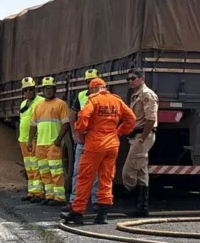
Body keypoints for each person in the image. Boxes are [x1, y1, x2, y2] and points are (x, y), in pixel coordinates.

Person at [61, 78, 135, 225]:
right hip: (112, 144)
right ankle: (102, 214)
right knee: (106, 179)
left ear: (94, 89)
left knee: (84, 177)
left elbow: (83, 117)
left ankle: (77, 212)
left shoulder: (93, 100)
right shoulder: (116, 100)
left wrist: (81, 133)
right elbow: (131, 118)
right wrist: (119, 132)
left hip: (94, 144)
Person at [28, 77, 70, 206]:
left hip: (53, 144)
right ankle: (50, 196)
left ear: (54, 89)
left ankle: (59, 198)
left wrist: (58, 139)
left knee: (56, 171)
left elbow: (66, 123)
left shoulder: (61, 104)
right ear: (42, 90)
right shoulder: (38, 106)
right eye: (46, 88)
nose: (48, 91)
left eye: (50, 88)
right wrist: (30, 141)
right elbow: (33, 125)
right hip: (40, 144)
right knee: (45, 172)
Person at [122, 68, 159, 217]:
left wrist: (143, 138)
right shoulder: (135, 95)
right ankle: (142, 207)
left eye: (133, 78)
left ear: (142, 78)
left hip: (142, 136)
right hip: (136, 136)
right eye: (128, 79)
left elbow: (151, 119)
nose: (130, 81)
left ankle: (130, 194)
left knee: (128, 172)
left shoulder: (147, 95)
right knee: (142, 171)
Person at [69, 68, 100, 208]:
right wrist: (75, 134)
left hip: (97, 140)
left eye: (93, 80)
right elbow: (72, 115)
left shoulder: (105, 97)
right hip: (83, 139)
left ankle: (95, 200)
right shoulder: (81, 96)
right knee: (78, 170)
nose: (91, 84)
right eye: (88, 81)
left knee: (97, 171)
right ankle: (74, 200)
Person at [18, 77, 45, 203]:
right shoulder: (23, 103)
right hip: (23, 139)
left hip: (34, 139)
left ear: (34, 90)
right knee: (29, 166)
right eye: (25, 90)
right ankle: (31, 192)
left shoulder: (40, 102)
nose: (28, 92)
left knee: (36, 166)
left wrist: (34, 138)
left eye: (30, 89)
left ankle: (39, 193)